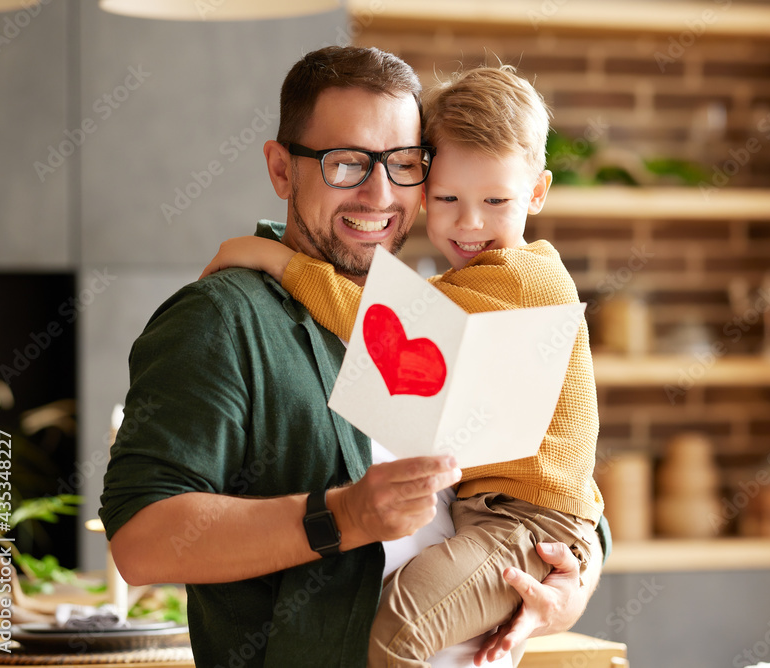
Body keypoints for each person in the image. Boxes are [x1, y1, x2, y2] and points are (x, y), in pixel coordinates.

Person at [99, 46, 607, 668]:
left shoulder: (441, 312)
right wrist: (344, 516)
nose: (378, 192)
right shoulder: (223, 319)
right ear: (282, 171)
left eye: (402, 164)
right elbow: (140, 541)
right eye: (345, 164)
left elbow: (551, 480)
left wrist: (569, 588)